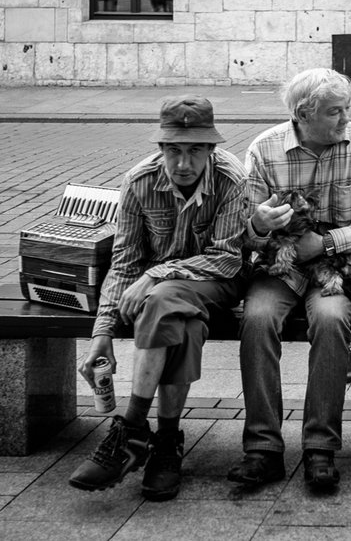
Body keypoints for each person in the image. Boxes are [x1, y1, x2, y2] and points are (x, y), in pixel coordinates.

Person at [68, 96, 247, 501]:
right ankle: (166, 443)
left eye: (195, 150)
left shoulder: (232, 179)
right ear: (161, 147)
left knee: (162, 296)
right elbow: (124, 261)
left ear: (211, 149)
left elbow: (226, 259)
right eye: (173, 150)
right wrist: (102, 333)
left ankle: (132, 427)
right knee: (183, 326)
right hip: (161, 303)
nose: (183, 163)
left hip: (218, 282)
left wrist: (155, 274)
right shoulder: (139, 181)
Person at [227, 68, 351, 490]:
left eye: (347, 108)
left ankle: (321, 447)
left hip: (339, 266)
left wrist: (326, 243)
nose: (346, 119)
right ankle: (262, 449)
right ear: (303, 114)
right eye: (335, 111)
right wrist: (259, 225)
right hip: (279, 266)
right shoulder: (265, 150)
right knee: (257, 318)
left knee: (331, 319)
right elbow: (244, 232)